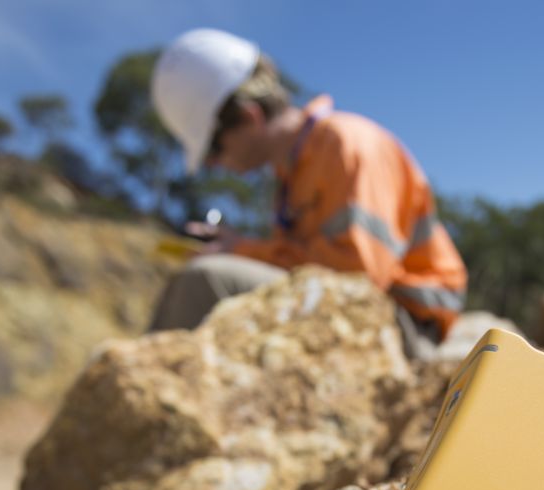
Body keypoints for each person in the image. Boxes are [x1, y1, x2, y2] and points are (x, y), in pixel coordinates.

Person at [148, 28, 467, 356]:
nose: (214, 165)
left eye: (214, 149)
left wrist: (243, 251)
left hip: (404, 324)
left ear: (249, 117)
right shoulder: (290, 181)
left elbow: (358, 278)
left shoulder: (349, 144)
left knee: (205, 280)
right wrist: (241, 249)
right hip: (365, 312)